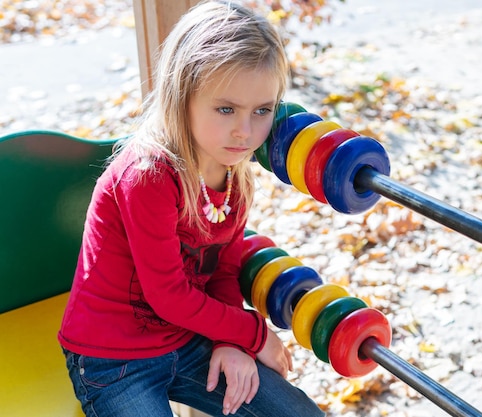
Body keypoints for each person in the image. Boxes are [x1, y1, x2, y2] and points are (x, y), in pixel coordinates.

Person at [58, 1, 325, 416]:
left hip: (187, 339)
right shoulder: (148, 175)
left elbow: (223, 269)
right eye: (225, 109)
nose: (245, 131)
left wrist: (230, 342)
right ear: (182, 98)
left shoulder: (234, 175)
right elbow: (168, 295)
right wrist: (254, 333)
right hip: (112, 357)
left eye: (262, 111)